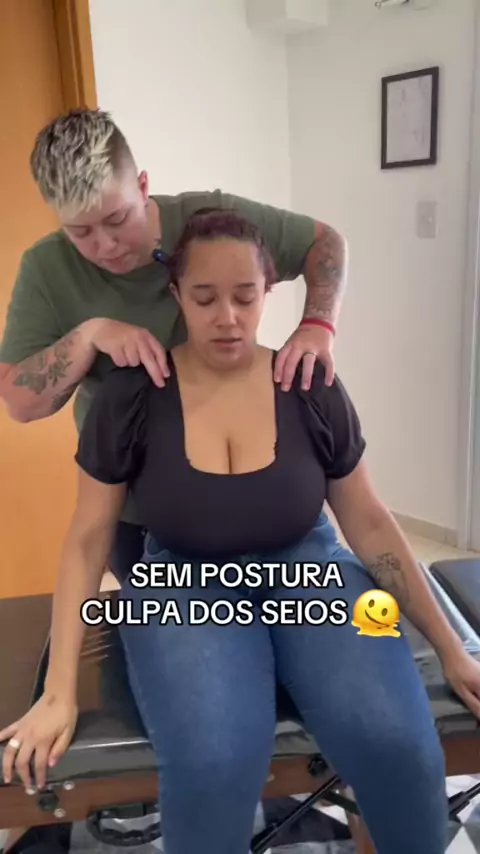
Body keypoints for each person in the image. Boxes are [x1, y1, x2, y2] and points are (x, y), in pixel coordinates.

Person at [2, 209, 480, 854]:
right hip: (178, 581)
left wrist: (453, 650)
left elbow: (369, 520)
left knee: (396, 738)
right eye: (204, 298)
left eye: (245, 297)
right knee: (214, 761)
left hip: (315, 570)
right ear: (176, 296)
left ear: (267, 292)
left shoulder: (309, 383)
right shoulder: (132, 395)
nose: (226, 317)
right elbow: (88, 538)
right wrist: (59, 691)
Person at [0, 107, 347, 584]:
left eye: (117, 218)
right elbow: (19, 402)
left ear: (143, 186)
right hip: (136, 508)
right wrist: (90, 336)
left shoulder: (211, 222)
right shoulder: (46, 269)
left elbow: (326, 243)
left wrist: (317, 324)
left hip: (248, 481)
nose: (105, 245)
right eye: (80, 232)